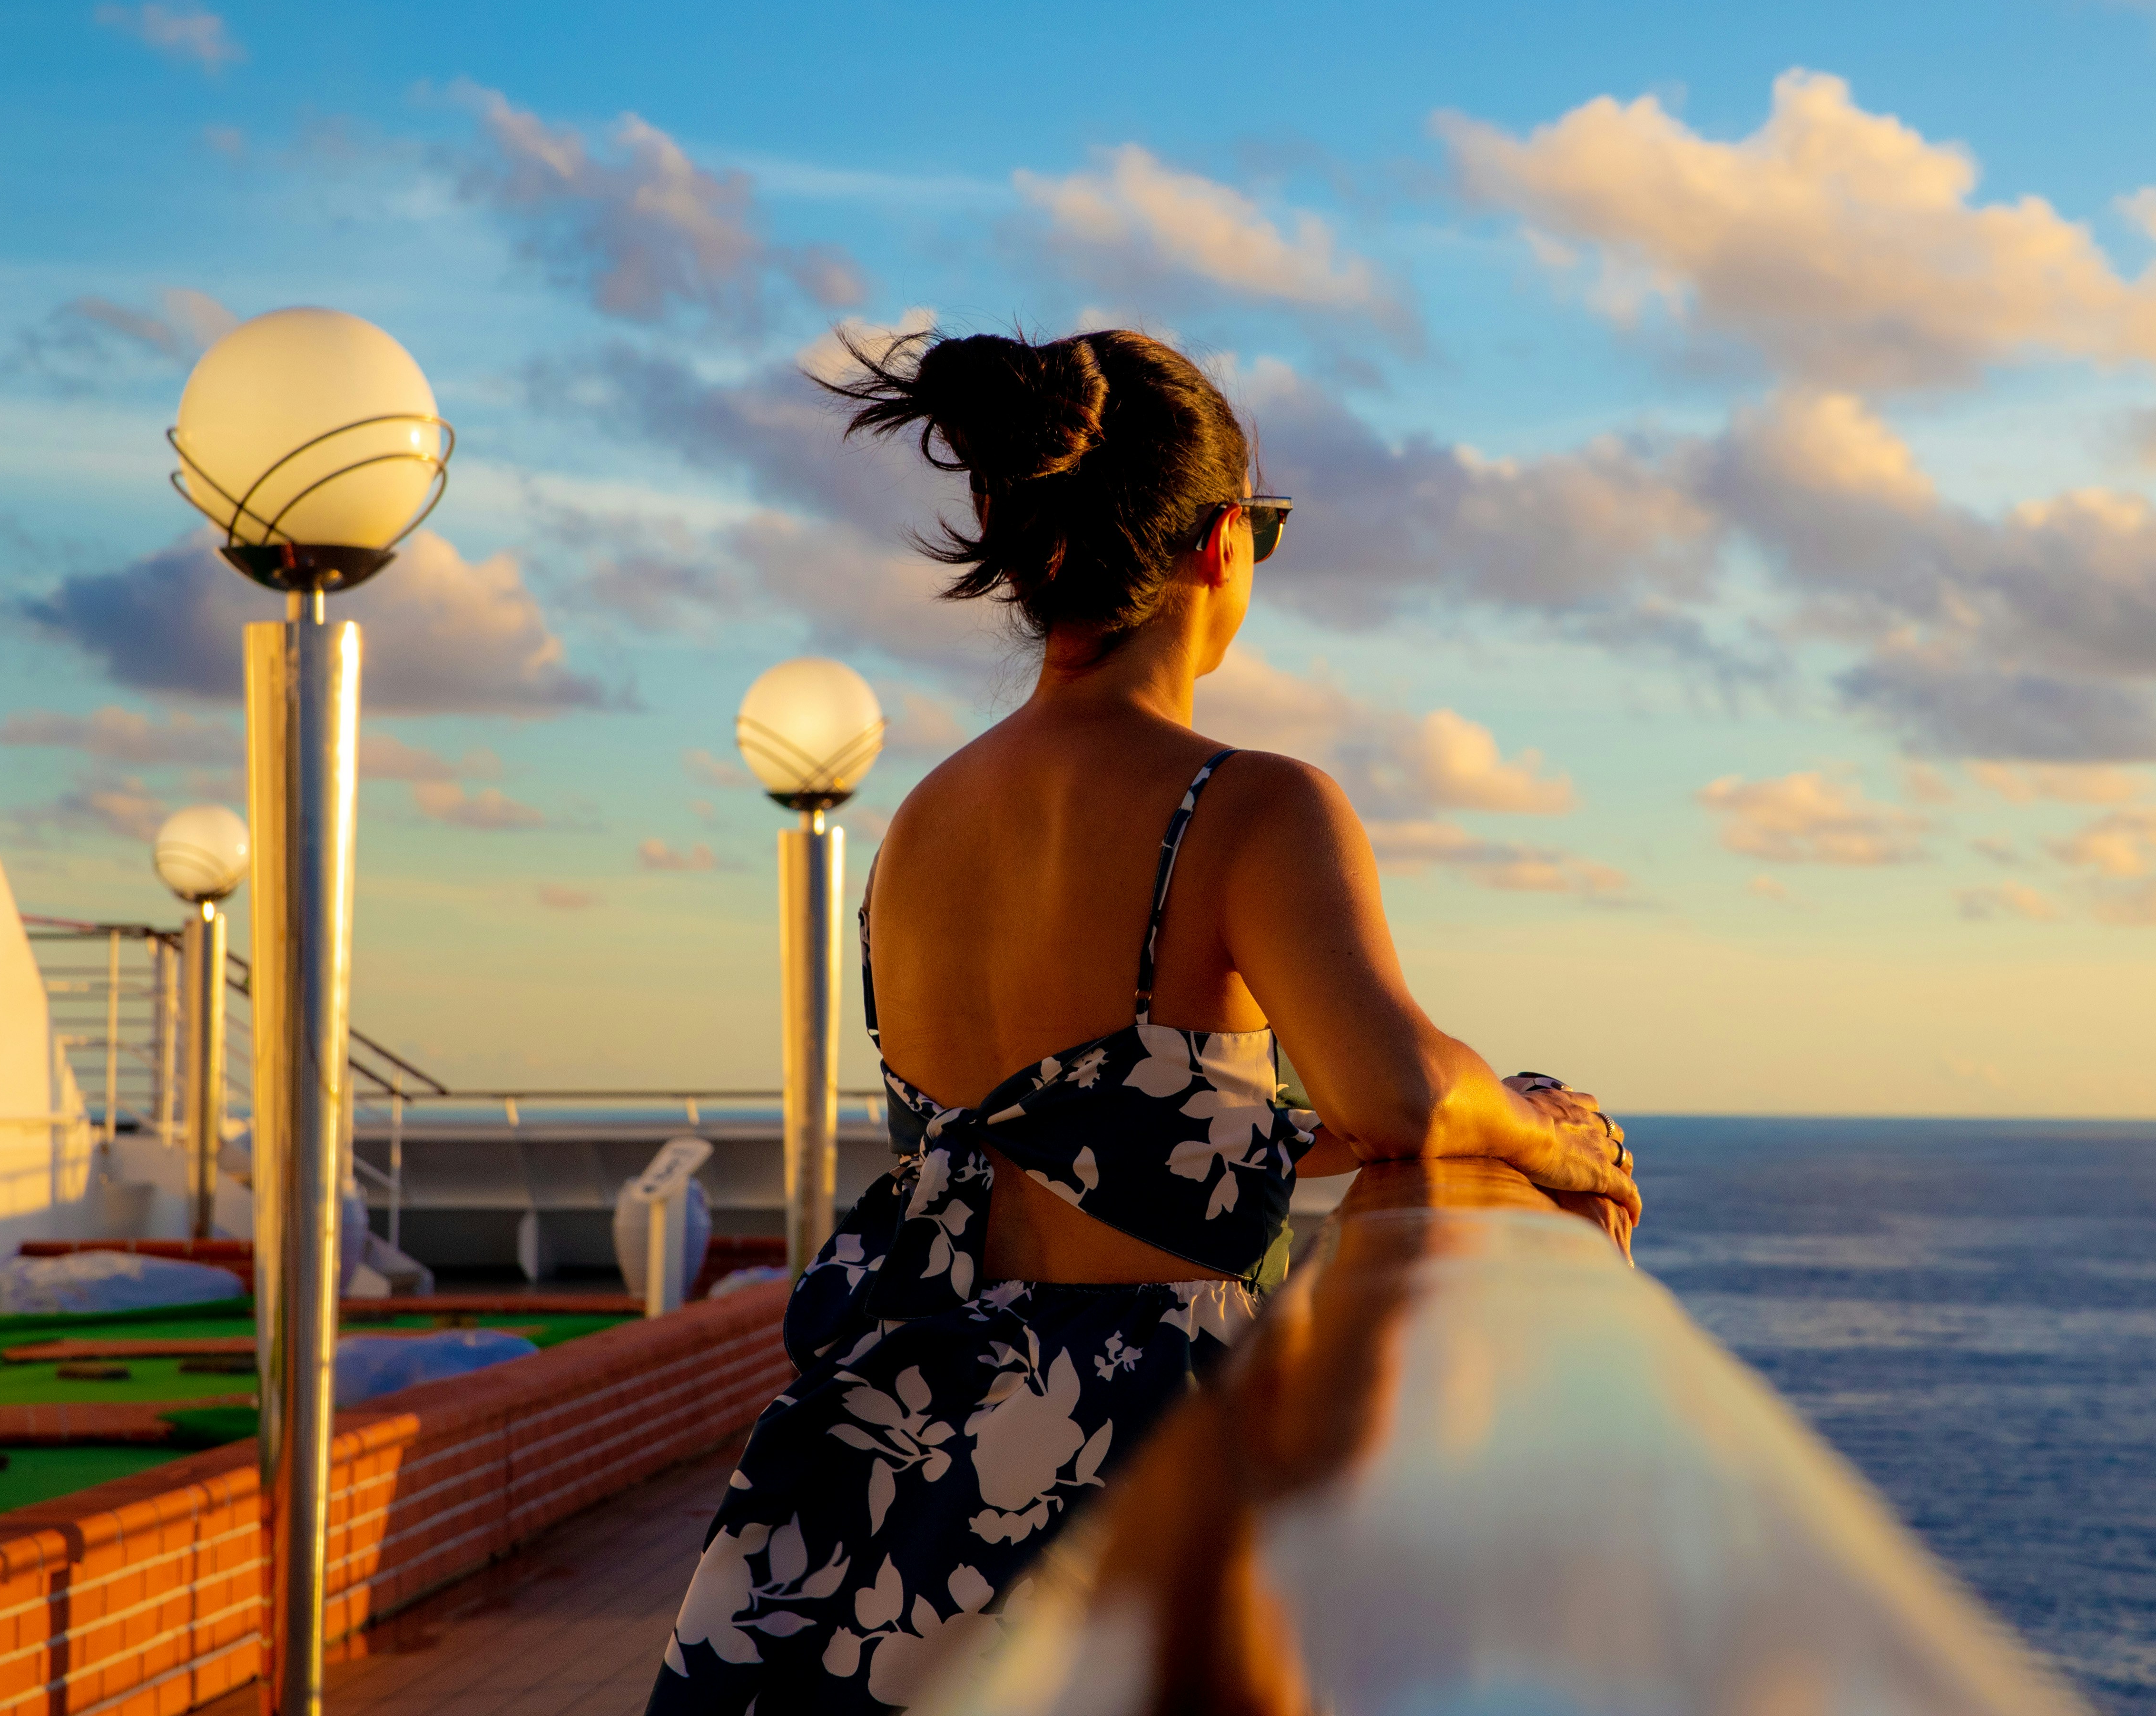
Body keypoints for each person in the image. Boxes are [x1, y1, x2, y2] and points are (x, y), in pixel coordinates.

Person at [646, 329, 1641, 1715]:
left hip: (896, 1473)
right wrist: (1537, 1126)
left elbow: (1074, 1131)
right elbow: (1405, 1090)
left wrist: (1299, 1140)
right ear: (1222, 542)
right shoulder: (1245, 806)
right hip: (1126, 1462)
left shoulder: (917, 830)